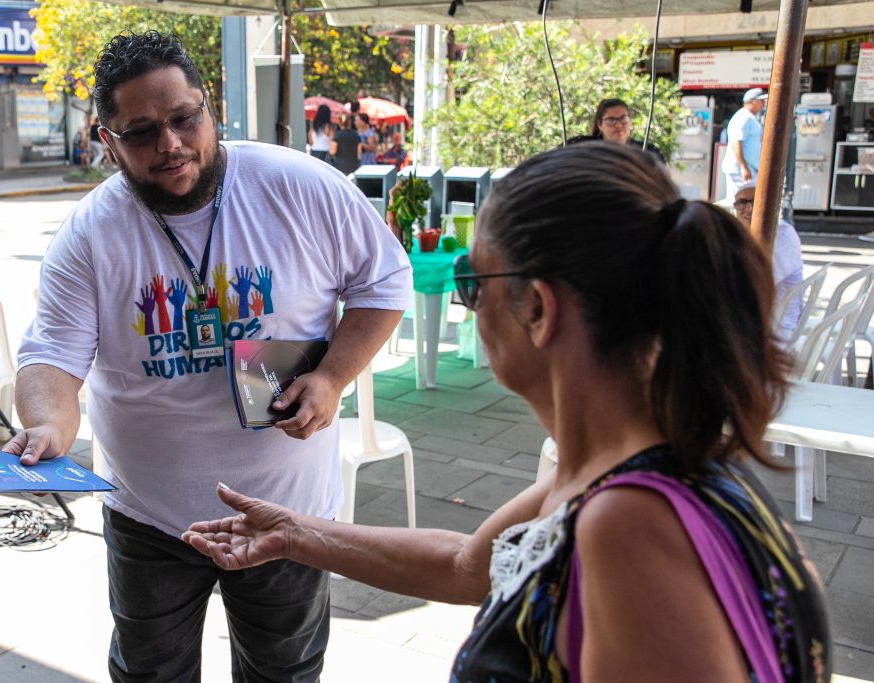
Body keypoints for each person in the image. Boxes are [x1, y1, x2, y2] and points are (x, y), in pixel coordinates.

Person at [184, 142, 831, 683]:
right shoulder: (619, 468)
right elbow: (469, 563)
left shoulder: (629, 525)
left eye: (473, 280)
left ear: (539, 309)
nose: (467, 300)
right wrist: (297, 534)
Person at [6, 31, 410, 682]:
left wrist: (332, 377)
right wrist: (49, 424)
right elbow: (53, 350)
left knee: (283, 672)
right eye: (139, 132)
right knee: (150, 674)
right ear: (107, 142)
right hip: (151, 518)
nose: (169, 144)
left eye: (183, 118)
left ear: (209, 106)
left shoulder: (298, 185)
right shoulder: (90, 233)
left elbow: (384, 281)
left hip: (289, 510)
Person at [734, 181, 803, 341]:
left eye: (755, 201)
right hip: (760, 319)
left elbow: (751, 285)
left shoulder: (781, 235)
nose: (749, 209)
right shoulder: (749, 236)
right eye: (742, 203)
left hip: (776, 327)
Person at [568, 98, 665, 165]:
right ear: (600, 124)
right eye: (611, 120)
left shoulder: (648, 151)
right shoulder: (582, 148)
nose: (618, 125)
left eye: (623, 119)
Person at [722, 88, 767, 199]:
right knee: (740, 201)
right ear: (752, 101)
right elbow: (736, 142)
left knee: (746, 201)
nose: (764, 104)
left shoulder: (750, 117)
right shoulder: (743, 117)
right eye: (761, 101)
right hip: (741, 171)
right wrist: (743, 167)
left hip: (749, 169)